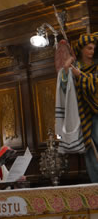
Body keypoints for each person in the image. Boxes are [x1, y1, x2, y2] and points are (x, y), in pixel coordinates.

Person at [62, 33, 98, 182]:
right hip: (83, 115)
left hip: (96, 112)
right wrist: (67, 67)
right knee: (90, 149)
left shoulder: (95, 67)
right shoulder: (74, 67)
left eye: (94, 48)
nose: (92, 51)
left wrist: (81, 77)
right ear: (81, 49)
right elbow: (65, 87)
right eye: (89, 48)